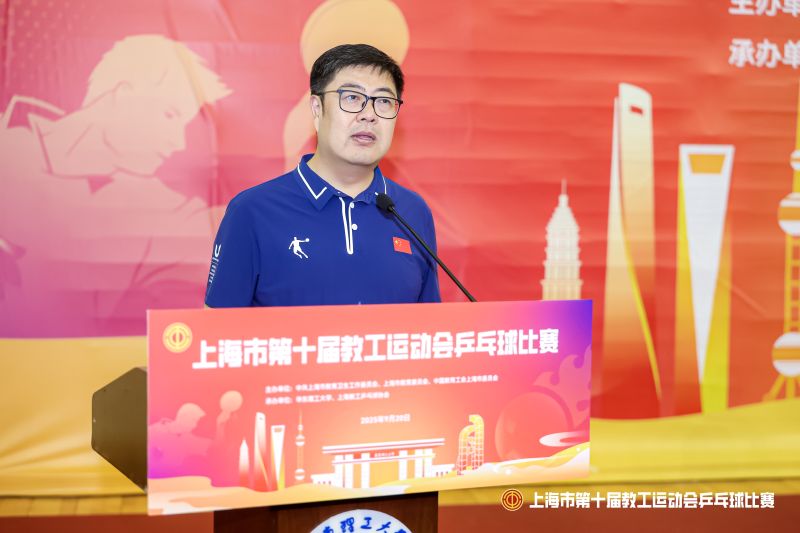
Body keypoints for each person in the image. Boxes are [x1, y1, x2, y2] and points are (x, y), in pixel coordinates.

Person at [0, 35, 231, 337]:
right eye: (170, 115)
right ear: (123, 95)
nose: (178, 143)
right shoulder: (10, 146)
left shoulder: (172, 212)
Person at [205, 44, 440, 307]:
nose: (369, 115)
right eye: (352, 98)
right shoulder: (252, 211)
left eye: (384, 101)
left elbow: (430, 326)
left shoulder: (412, 211)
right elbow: (217, 328)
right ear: (317, 109)